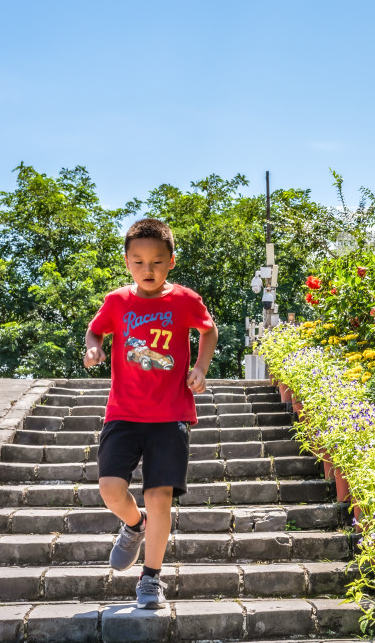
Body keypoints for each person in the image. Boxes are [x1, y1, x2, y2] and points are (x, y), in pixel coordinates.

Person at [84, 218, 218, 609]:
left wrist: (200, 367)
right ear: (127, 262)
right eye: (139, 262)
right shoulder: (116, 302)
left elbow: (207, 331)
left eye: (157, 261)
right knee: (110, 489)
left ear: (171, 262)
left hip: (170, 413)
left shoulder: (185, 301)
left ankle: (151, 578)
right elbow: (96, 330)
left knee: (160, 498)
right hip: (123, 412)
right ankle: (133, 524)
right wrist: (94, 347)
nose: (148, 269)